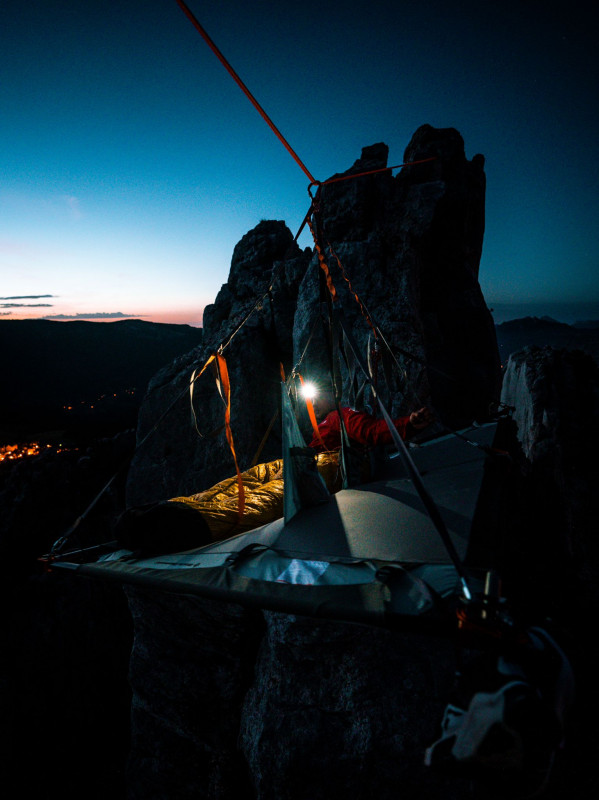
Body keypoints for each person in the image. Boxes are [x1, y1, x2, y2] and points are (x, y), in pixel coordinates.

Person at [308, 388, 434, 452]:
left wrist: (408, 424)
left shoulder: (339, 416)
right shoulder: (326, 424)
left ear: (331, 396)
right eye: (309, 401)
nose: (313, 405)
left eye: (317, 399)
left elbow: (371, 431)